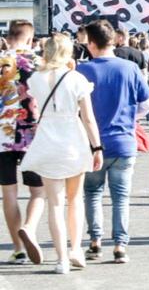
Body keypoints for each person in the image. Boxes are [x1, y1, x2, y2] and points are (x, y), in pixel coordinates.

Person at [20, 34, 103, 274]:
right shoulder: (77, 78)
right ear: (69, 53)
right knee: (74, 200)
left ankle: (61, 259)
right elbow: (88, 118)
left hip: (47, 139)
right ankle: (75, 249)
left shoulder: (36, 78)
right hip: (72, 140)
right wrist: (96, 147)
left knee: (55, 204)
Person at [78, 19, 149, 264]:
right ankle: (120, 245)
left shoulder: (83, 71)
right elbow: (147, 102)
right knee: (121, 196)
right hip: (124, 141)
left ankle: (95, 241)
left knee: (92, 192)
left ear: (91, 43)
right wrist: (132, 117)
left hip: (93, 143)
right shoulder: (129, 68)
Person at [0, 20, 45, 265]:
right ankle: (28, 227)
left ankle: (17, 249)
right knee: (38, 191)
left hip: (2, 137)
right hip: (33, 135)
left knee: (9, 192)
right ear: (30, 39)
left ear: (7, 38)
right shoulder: (39, 63)